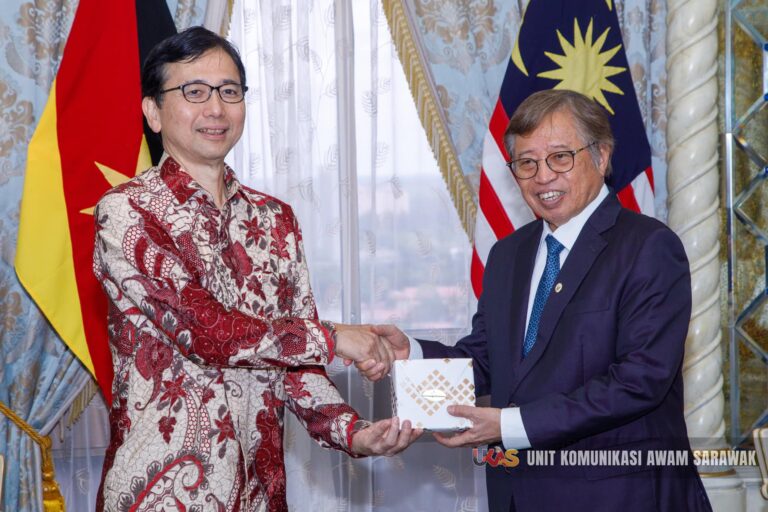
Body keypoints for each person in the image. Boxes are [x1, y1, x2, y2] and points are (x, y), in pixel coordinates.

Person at [92, 26, 416, 512]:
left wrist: (355, 433)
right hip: (159, 493)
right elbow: (207, 331)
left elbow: (294, 367)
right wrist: (334, 337)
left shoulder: (275, 220)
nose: (215, 109)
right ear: (153, 112)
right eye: (194, 92)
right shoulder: (128, 212)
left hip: (260, 494)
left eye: (230, 92)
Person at [364, 90, 712, 511]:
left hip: (618, 496)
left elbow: (638, 381)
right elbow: (489, 360)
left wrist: (509, 425)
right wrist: (413, 354)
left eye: (560, 157)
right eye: (527, 163)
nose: (543, 177)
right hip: (516, 494)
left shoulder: (648, 247)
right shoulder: (508, 254)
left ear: (601, 156)